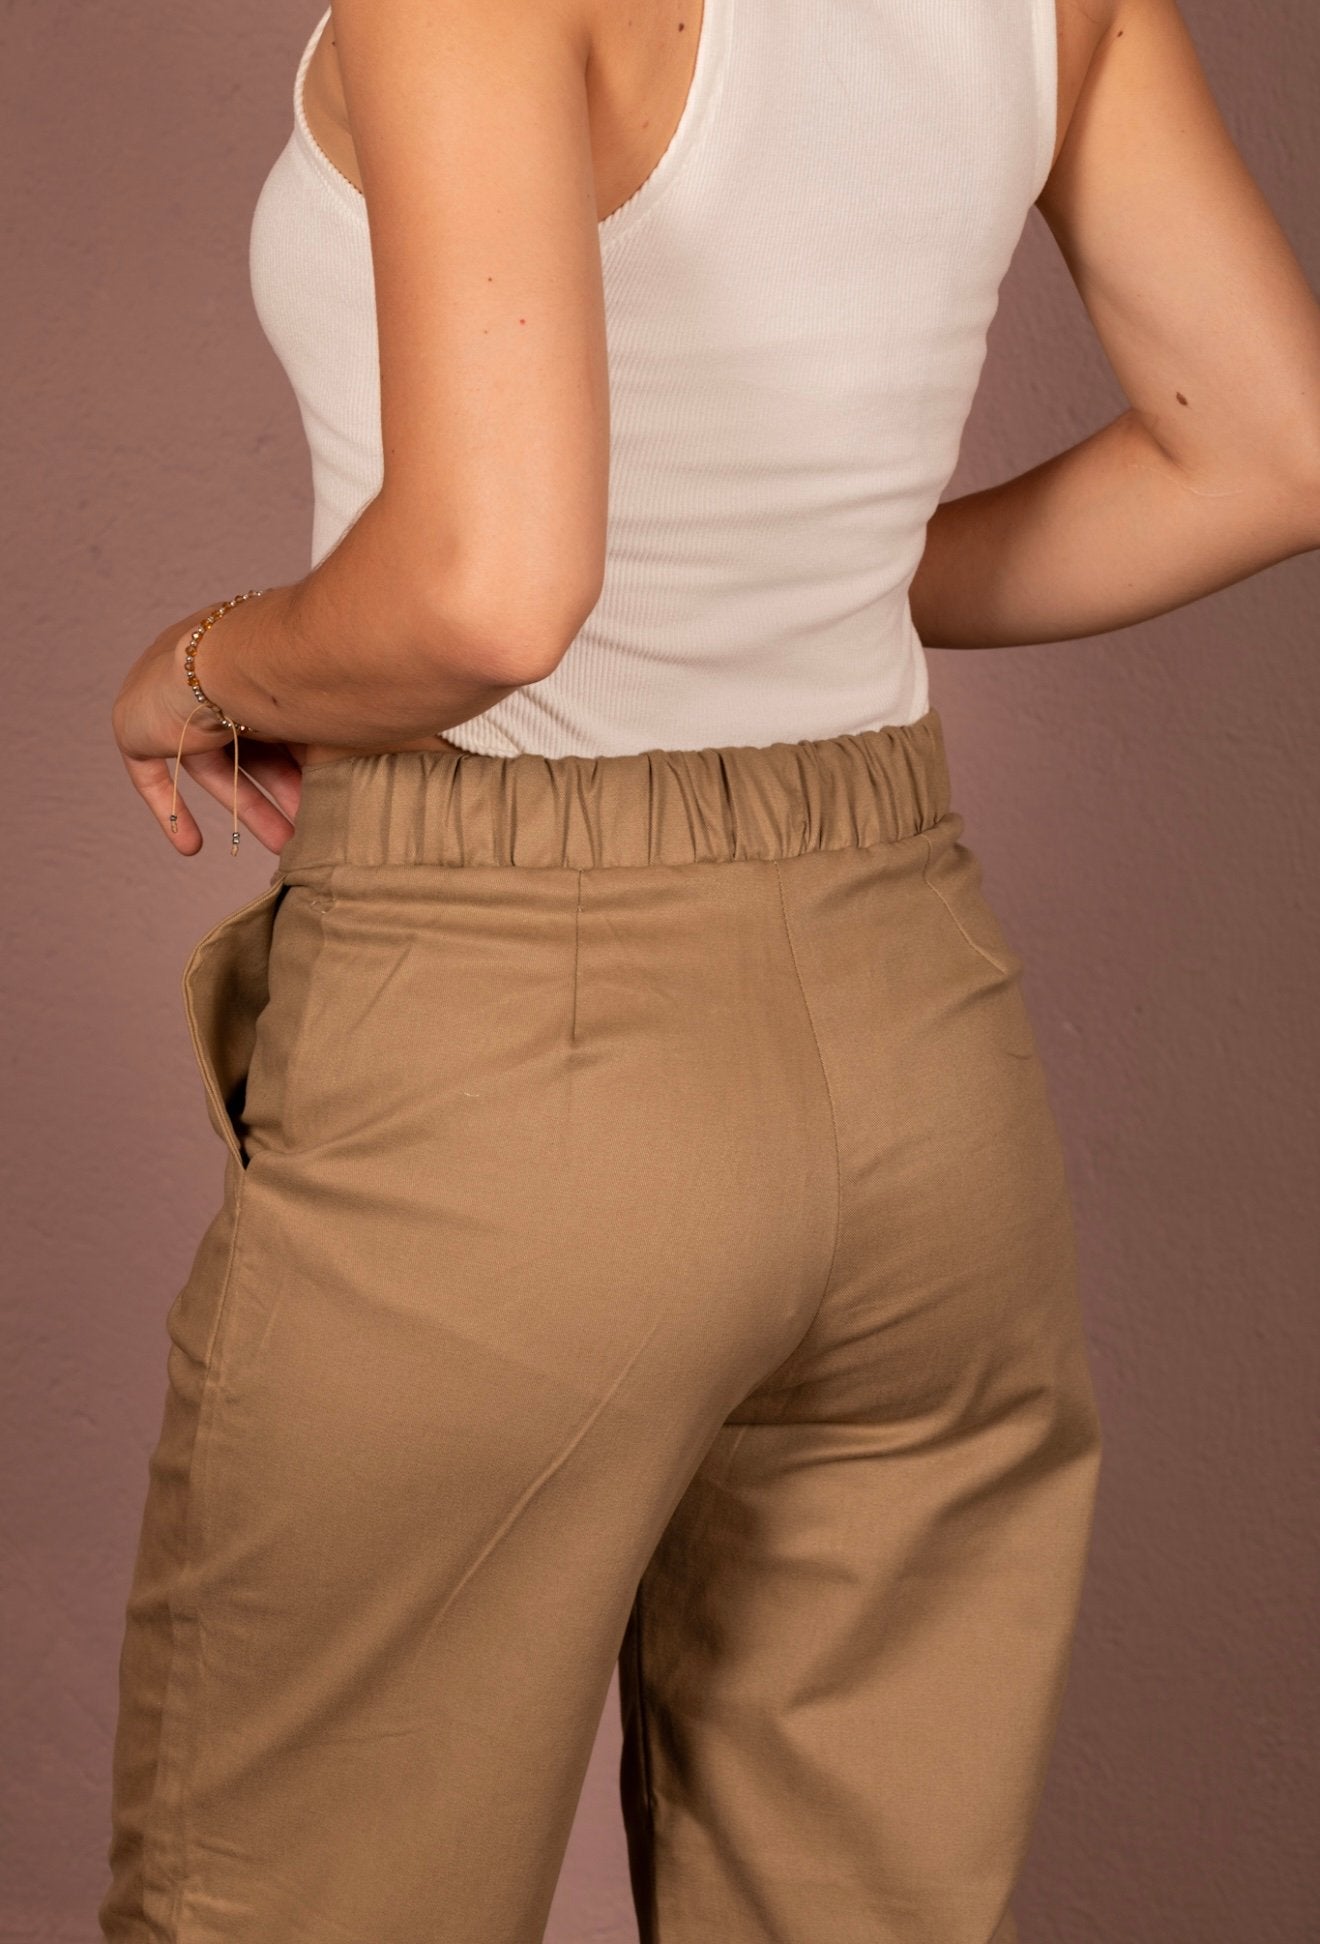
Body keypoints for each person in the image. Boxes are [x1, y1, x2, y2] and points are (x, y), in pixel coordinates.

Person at [102, 0, 1320, 1937]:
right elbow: (1267, 451)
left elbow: (489, 593)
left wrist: (197, 672)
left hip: (521, 1046)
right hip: (919, 1043)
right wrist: (808, 573)